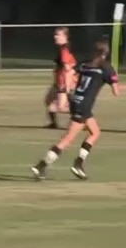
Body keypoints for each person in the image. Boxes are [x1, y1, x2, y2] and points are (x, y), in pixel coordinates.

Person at [31, 40, 119, 180]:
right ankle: (41, 166)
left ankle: (78, 164)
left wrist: (67, 90)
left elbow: (70, 73)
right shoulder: (107, 68)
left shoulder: (85, 64)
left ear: (95, 52)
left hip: (76, 101)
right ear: (106, 53)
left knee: (95, 132)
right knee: (68, 139)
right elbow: (116, 92)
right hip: (83, 106)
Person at [44, 27, 77, 128]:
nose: (55, 37)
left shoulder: (65, 50)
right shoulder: (63, 48)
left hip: (63, 82)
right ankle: (54, 124)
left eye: (58, 35)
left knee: (61, 108)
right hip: (58, 82)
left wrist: (67, 87)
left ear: (65, 36)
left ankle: (82, 116)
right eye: (55, 34)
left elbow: (68, 69)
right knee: (48, 101)